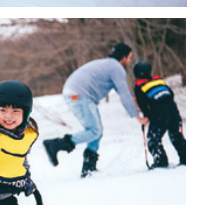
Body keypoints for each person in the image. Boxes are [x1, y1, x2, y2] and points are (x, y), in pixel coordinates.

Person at [43, 43, 148, 177]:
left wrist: (135, 104)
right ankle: (55, 145)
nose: (129, 61)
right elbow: (124, 94)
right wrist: (137, 117)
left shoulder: (108, 65)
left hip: (78, 94)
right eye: (129, 58)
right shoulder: (117, 67)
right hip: (79, 95)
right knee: (94, 130)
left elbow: (124, 94)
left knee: (96, 131)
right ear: (123, 57)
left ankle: (89, 168)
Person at [133, 60, 186, 168]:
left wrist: (147, 115)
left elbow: (142, 103)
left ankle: (161, 162)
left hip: (159, 112)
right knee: (176, 135)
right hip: (173, 109)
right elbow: (170, 94)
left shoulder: (139, 86)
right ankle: (186, 158)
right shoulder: (159, 80)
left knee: (153, 139)